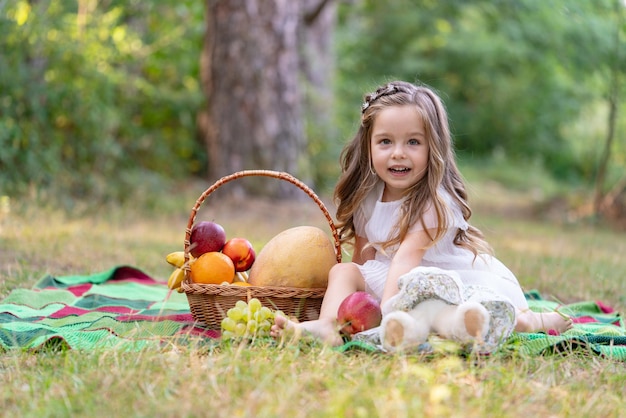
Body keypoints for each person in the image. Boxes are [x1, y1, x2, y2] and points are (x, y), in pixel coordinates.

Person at [271, 80, 572, 350]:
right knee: (343, 272)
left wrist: (384, 314)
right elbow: (363, 262)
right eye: (385, 141)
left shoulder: (434, 202)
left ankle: (532, 320)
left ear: (433, 147)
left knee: (473, 315)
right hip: (393, 277)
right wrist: (351, 305)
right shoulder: (368, 197)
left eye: (413, 142)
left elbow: (406, 260)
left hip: (439, 279)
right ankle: (328, 325)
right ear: (369, 146)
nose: (398, 153)